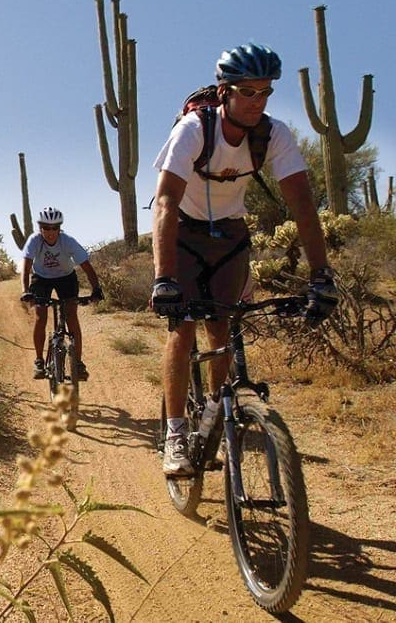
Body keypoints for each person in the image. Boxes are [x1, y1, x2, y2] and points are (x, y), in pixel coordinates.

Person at [150, 42, 339, 476]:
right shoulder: (195, 130)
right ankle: (176, 433)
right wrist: (164, 279)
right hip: (183, 231)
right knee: (183, 329)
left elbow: (304, 208)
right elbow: (164, 203)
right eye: (248, 92)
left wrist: (321, 274)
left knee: (222, 328)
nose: (258, 102)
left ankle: (219, 416)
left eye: (266, 92)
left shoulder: (274, 135)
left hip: (231, 236)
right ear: (225, 92)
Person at [20, 207, 103, 381]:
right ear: (40, 228)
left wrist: (96, 289)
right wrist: (26, 291)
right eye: (46, 228)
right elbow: (26, 267)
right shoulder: (34, 241)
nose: (51, 232)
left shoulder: (68, 241)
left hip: (66, 278)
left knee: (71, 315)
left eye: (55, 228)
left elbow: (87, 266)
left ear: (60, 228)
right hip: (41, 278)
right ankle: (39, 361)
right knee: (40, 315)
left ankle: (78, 363)